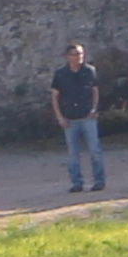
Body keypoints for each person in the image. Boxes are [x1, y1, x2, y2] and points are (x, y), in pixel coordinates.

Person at [48, 41, 104, 192]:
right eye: (75, 54)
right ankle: (77, 183)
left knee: (95, 150)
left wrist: (94, 108)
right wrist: (59, 116)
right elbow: (55, 96)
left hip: (87, 116)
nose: (79, 57)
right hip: (70, 118)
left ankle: (99, 181)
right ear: (68, 57)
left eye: (80, 54)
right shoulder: (60, 74)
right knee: (73, 154)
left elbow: (95, 90)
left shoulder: (89, 71)